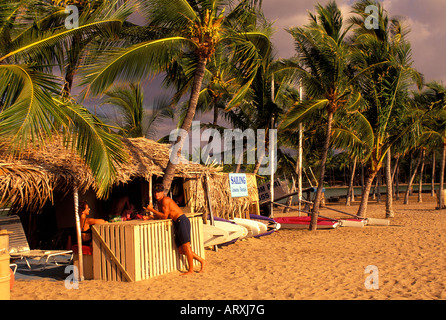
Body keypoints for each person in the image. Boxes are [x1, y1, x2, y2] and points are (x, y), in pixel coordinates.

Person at [145, 184, 207, 275]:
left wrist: (152, 210)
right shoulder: (159, 202)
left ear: (162, 192)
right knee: (181, 250)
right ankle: (202, 260)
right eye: (155, 192)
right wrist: (150, 216)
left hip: (182, 220)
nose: (156, 194)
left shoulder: (165, 200)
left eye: (158, 192)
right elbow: (162, 215)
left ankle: (191, 270)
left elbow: (165, 216)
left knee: (186, 247)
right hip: (177, 223)